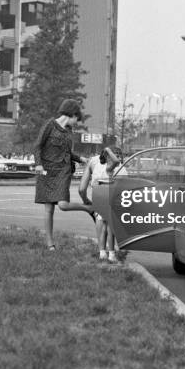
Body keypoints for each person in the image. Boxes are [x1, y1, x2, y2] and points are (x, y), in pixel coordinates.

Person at [33, 99, 93, 250]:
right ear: (72, 114)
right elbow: (38, 146)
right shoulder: (50, 125)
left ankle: (89, 209)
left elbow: (67, 153)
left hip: (63, 171)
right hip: (46, 171)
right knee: (48, 209)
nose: (76, 123)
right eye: (76, 120)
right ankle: (50, 244)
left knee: (63, 205)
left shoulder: (68, 132)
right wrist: (39, 165)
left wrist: (81, 158)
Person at [79, 146, 123, 263]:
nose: (117, 157)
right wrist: (108, 150)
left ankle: (102, 252)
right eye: (115, 154)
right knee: (110, 229)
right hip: (108, 198)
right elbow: (116, 161)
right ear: (109, 157)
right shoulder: (110, 167)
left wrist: (106, 152)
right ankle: (111, 254)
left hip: (99, 197)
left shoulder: (101, 167)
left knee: (103, 227)